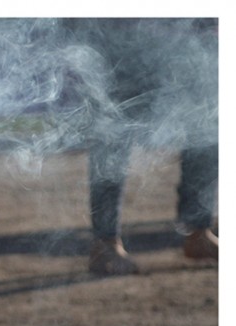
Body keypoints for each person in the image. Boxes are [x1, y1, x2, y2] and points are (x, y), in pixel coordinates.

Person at [72, 19, 219, 275]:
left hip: (188, 34)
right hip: (122, 34)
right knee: (113, 134)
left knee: (207, 126)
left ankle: (199, 230)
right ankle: (105, 244)